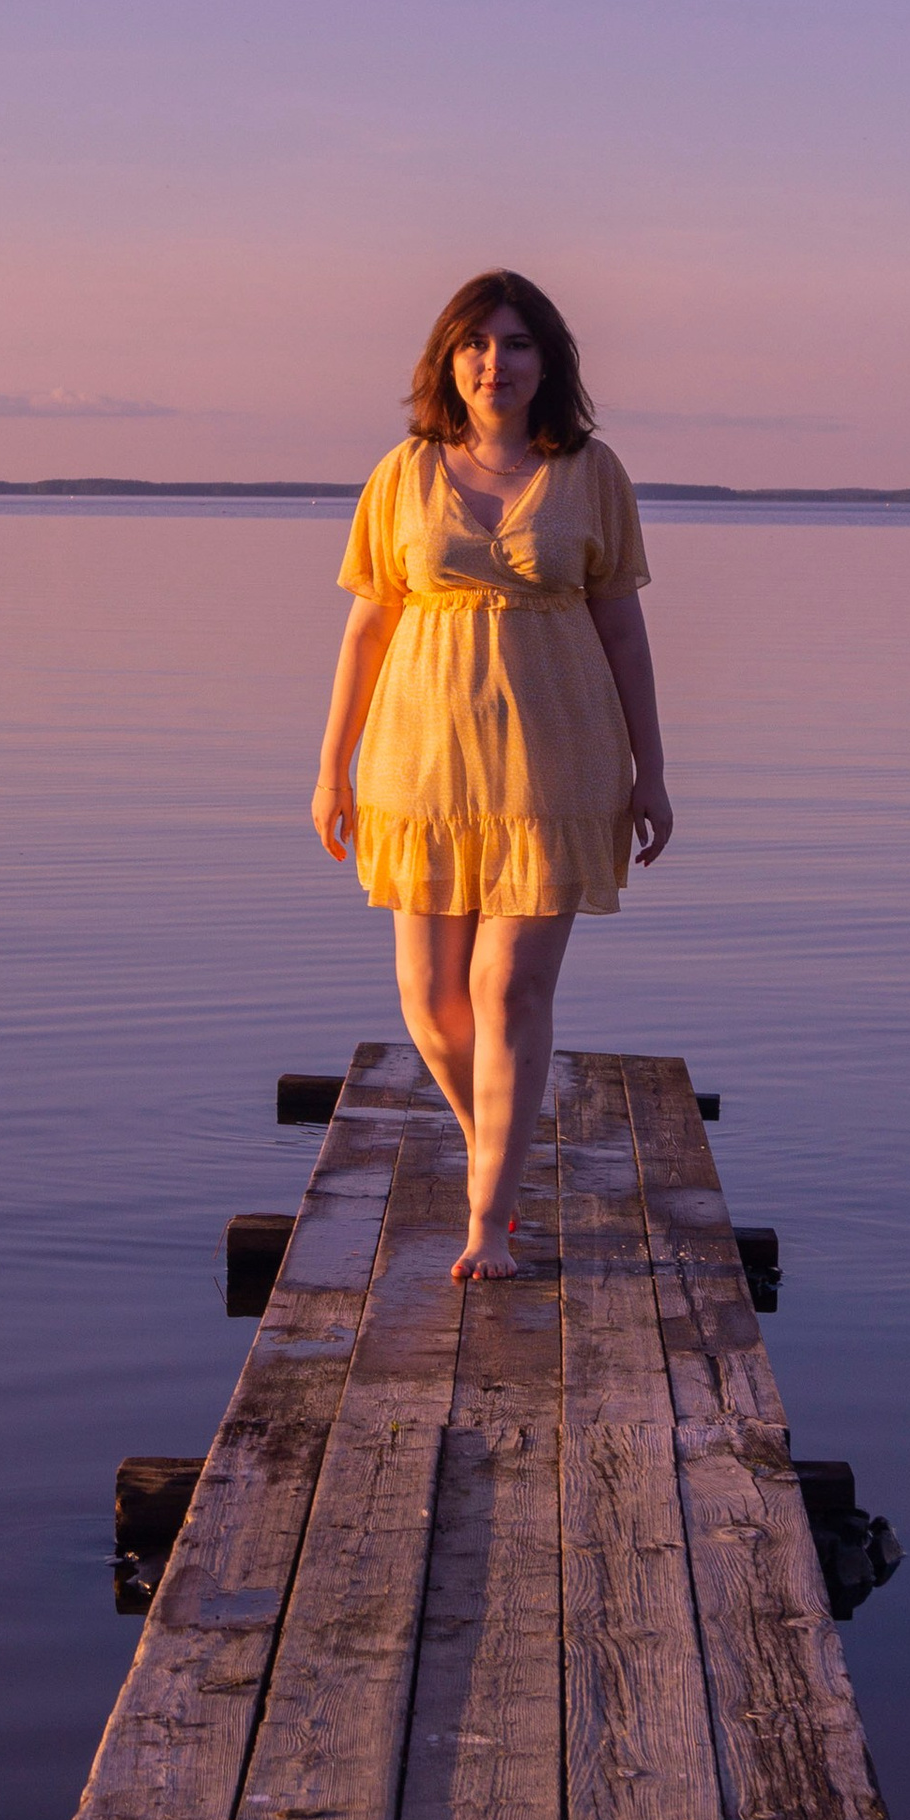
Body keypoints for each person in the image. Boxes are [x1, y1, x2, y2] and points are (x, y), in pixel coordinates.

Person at [313, 272, 673, 1281]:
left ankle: (489, 1218)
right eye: (474, 342)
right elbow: (367, 627)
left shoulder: (591, 472)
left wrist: (653, 770)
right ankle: (498, 1145)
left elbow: (624, 634)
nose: (494, 361)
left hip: (556, 766)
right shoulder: (404, 472)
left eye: (517, 343)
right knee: (430, 1000)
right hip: (417, 766)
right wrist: (329, 768)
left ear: (547, 363)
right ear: (446, 360)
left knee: (507, 988)